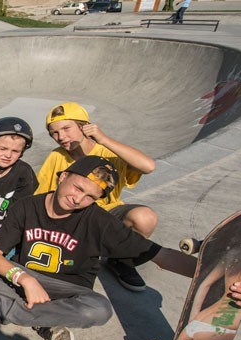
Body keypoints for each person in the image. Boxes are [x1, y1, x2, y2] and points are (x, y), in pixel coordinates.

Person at [0, 156, 241, 340]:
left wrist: (229, 280)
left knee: (98, 309)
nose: (79, 199)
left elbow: (162, 255)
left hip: (69, 291)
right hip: (26, 277)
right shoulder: (27, 207)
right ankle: (38, 316)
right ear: (63, 176)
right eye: (78, 188)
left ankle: (12, 310)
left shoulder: (99, 221)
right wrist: (25, 278)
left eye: (90, 196)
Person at [35, 102, 158, 292]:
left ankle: (122, 261)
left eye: (66, 128)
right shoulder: (57, 157)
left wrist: (103, 139)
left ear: (84, 126)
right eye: (54, 133)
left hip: (108, 212)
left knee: (145, 217)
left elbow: (148, 166)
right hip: (74, 216)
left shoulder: (109, 152)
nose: (61, 137)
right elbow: (40, 194)